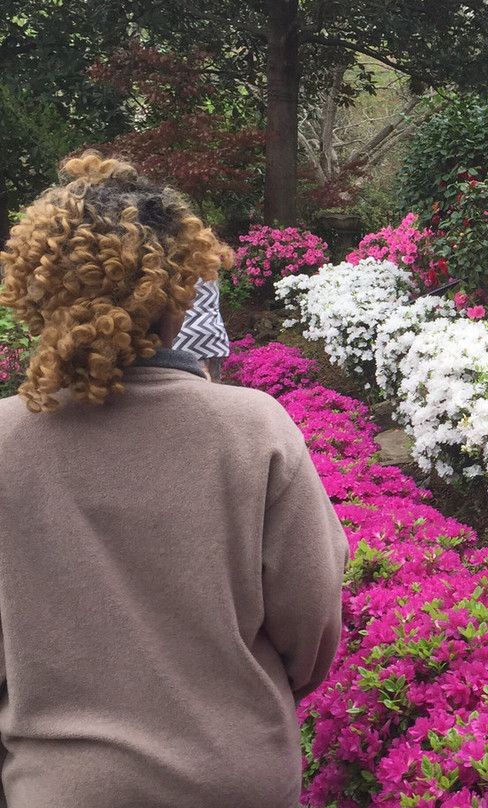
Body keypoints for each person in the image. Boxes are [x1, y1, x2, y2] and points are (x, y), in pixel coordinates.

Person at [0, 153, 348, 808]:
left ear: (39, 288)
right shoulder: (254, 429)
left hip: (60, 789)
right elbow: (312, 624)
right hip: (236, 777)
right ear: (179, 291)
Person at [174, 277, 230, 382]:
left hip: (183, 331)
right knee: (204, 373)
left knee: (196, 375)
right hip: (210, 330)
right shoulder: (209, 270)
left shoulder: (176, 271)